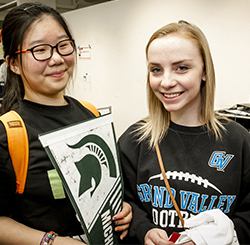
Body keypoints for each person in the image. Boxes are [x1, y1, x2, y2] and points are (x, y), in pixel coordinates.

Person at [0, 2, 132, 245]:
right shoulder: (9, 132)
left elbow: (107, 186)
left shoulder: (90, 113)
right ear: (14, 64)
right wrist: (52, 242)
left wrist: (123, 209)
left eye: (63, 46)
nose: (57, 58)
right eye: (40, 50)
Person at [118, 20, 250, 245]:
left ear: (204, 72)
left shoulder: (238, 141)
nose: (166, 82)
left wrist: (212, 239)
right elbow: (125, 205)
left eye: (182, 68)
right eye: (156, 70)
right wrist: (145, 230)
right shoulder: (135, 140)